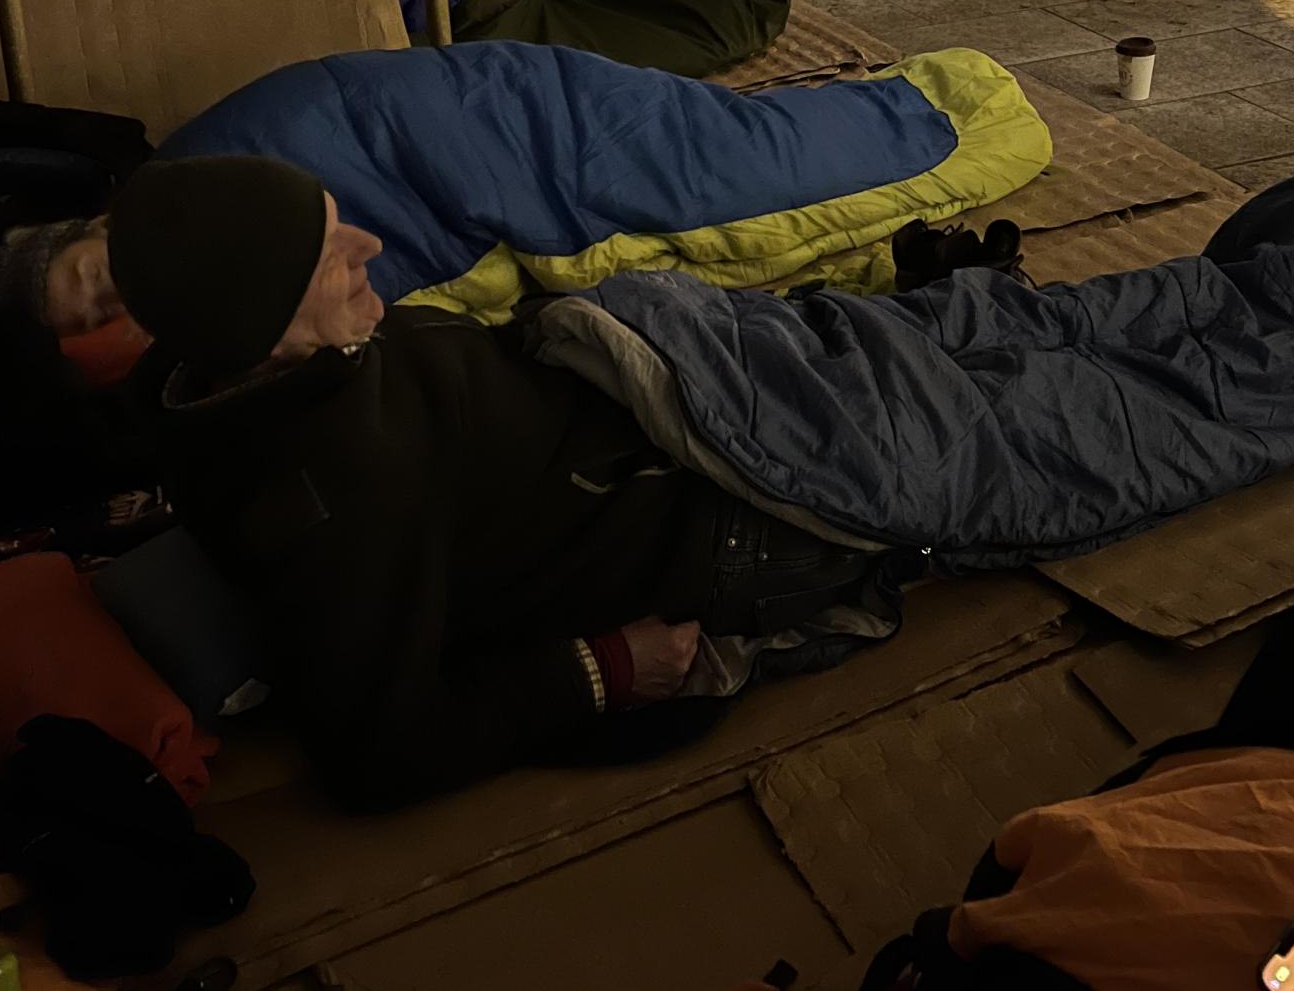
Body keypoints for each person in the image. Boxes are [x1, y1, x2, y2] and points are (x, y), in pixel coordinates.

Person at [92, 155, 891, 812]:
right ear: (257, 320)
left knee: (896, 338)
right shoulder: (336, 498)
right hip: (702, 526)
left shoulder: (205, 381)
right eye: (330, 254)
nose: (369, 245)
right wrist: (604, 667)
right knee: (931, 464)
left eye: (341, 223)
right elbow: (380, 755)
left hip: (640, 397)